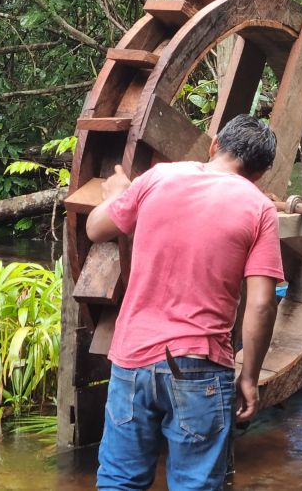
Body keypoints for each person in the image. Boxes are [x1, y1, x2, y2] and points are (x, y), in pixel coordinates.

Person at [87, 114, 284, 491]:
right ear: (261, 174)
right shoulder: (260, 208)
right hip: (201, 365)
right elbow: (262, 305)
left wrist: (115, 194)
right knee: (194, 484)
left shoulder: (158, 177)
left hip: (132, 360)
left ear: (214, 146)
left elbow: (95, 228)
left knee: (119, 481)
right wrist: (250, 378)